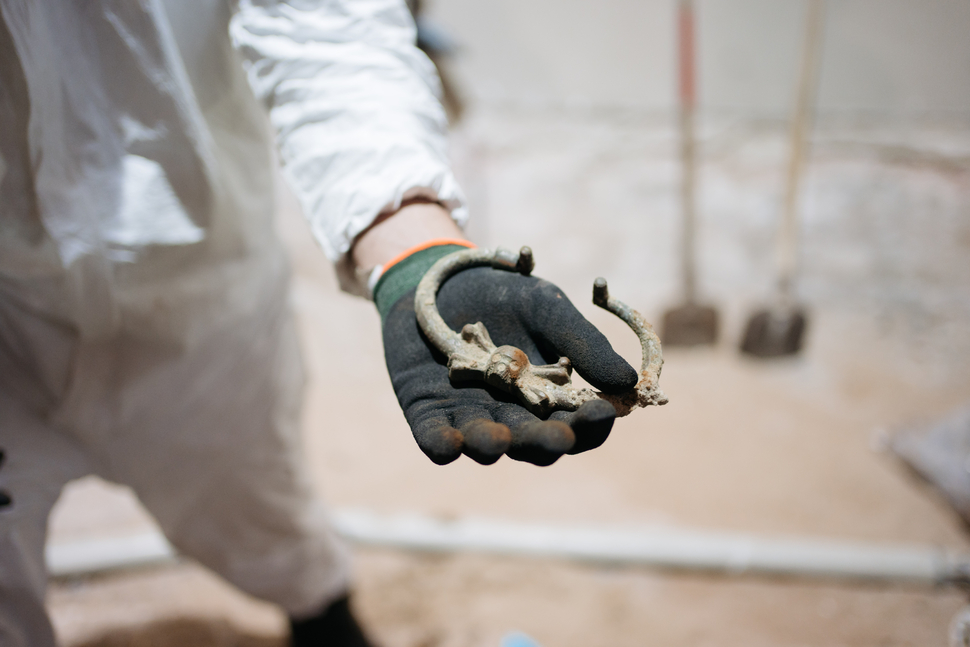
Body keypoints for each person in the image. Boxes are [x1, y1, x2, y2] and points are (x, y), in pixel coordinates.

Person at [0, 1, 637, 645]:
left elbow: (328, 29)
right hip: (7, 333)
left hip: (203, 325)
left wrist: (414, 255)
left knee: (267, 518)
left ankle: (324, 620)